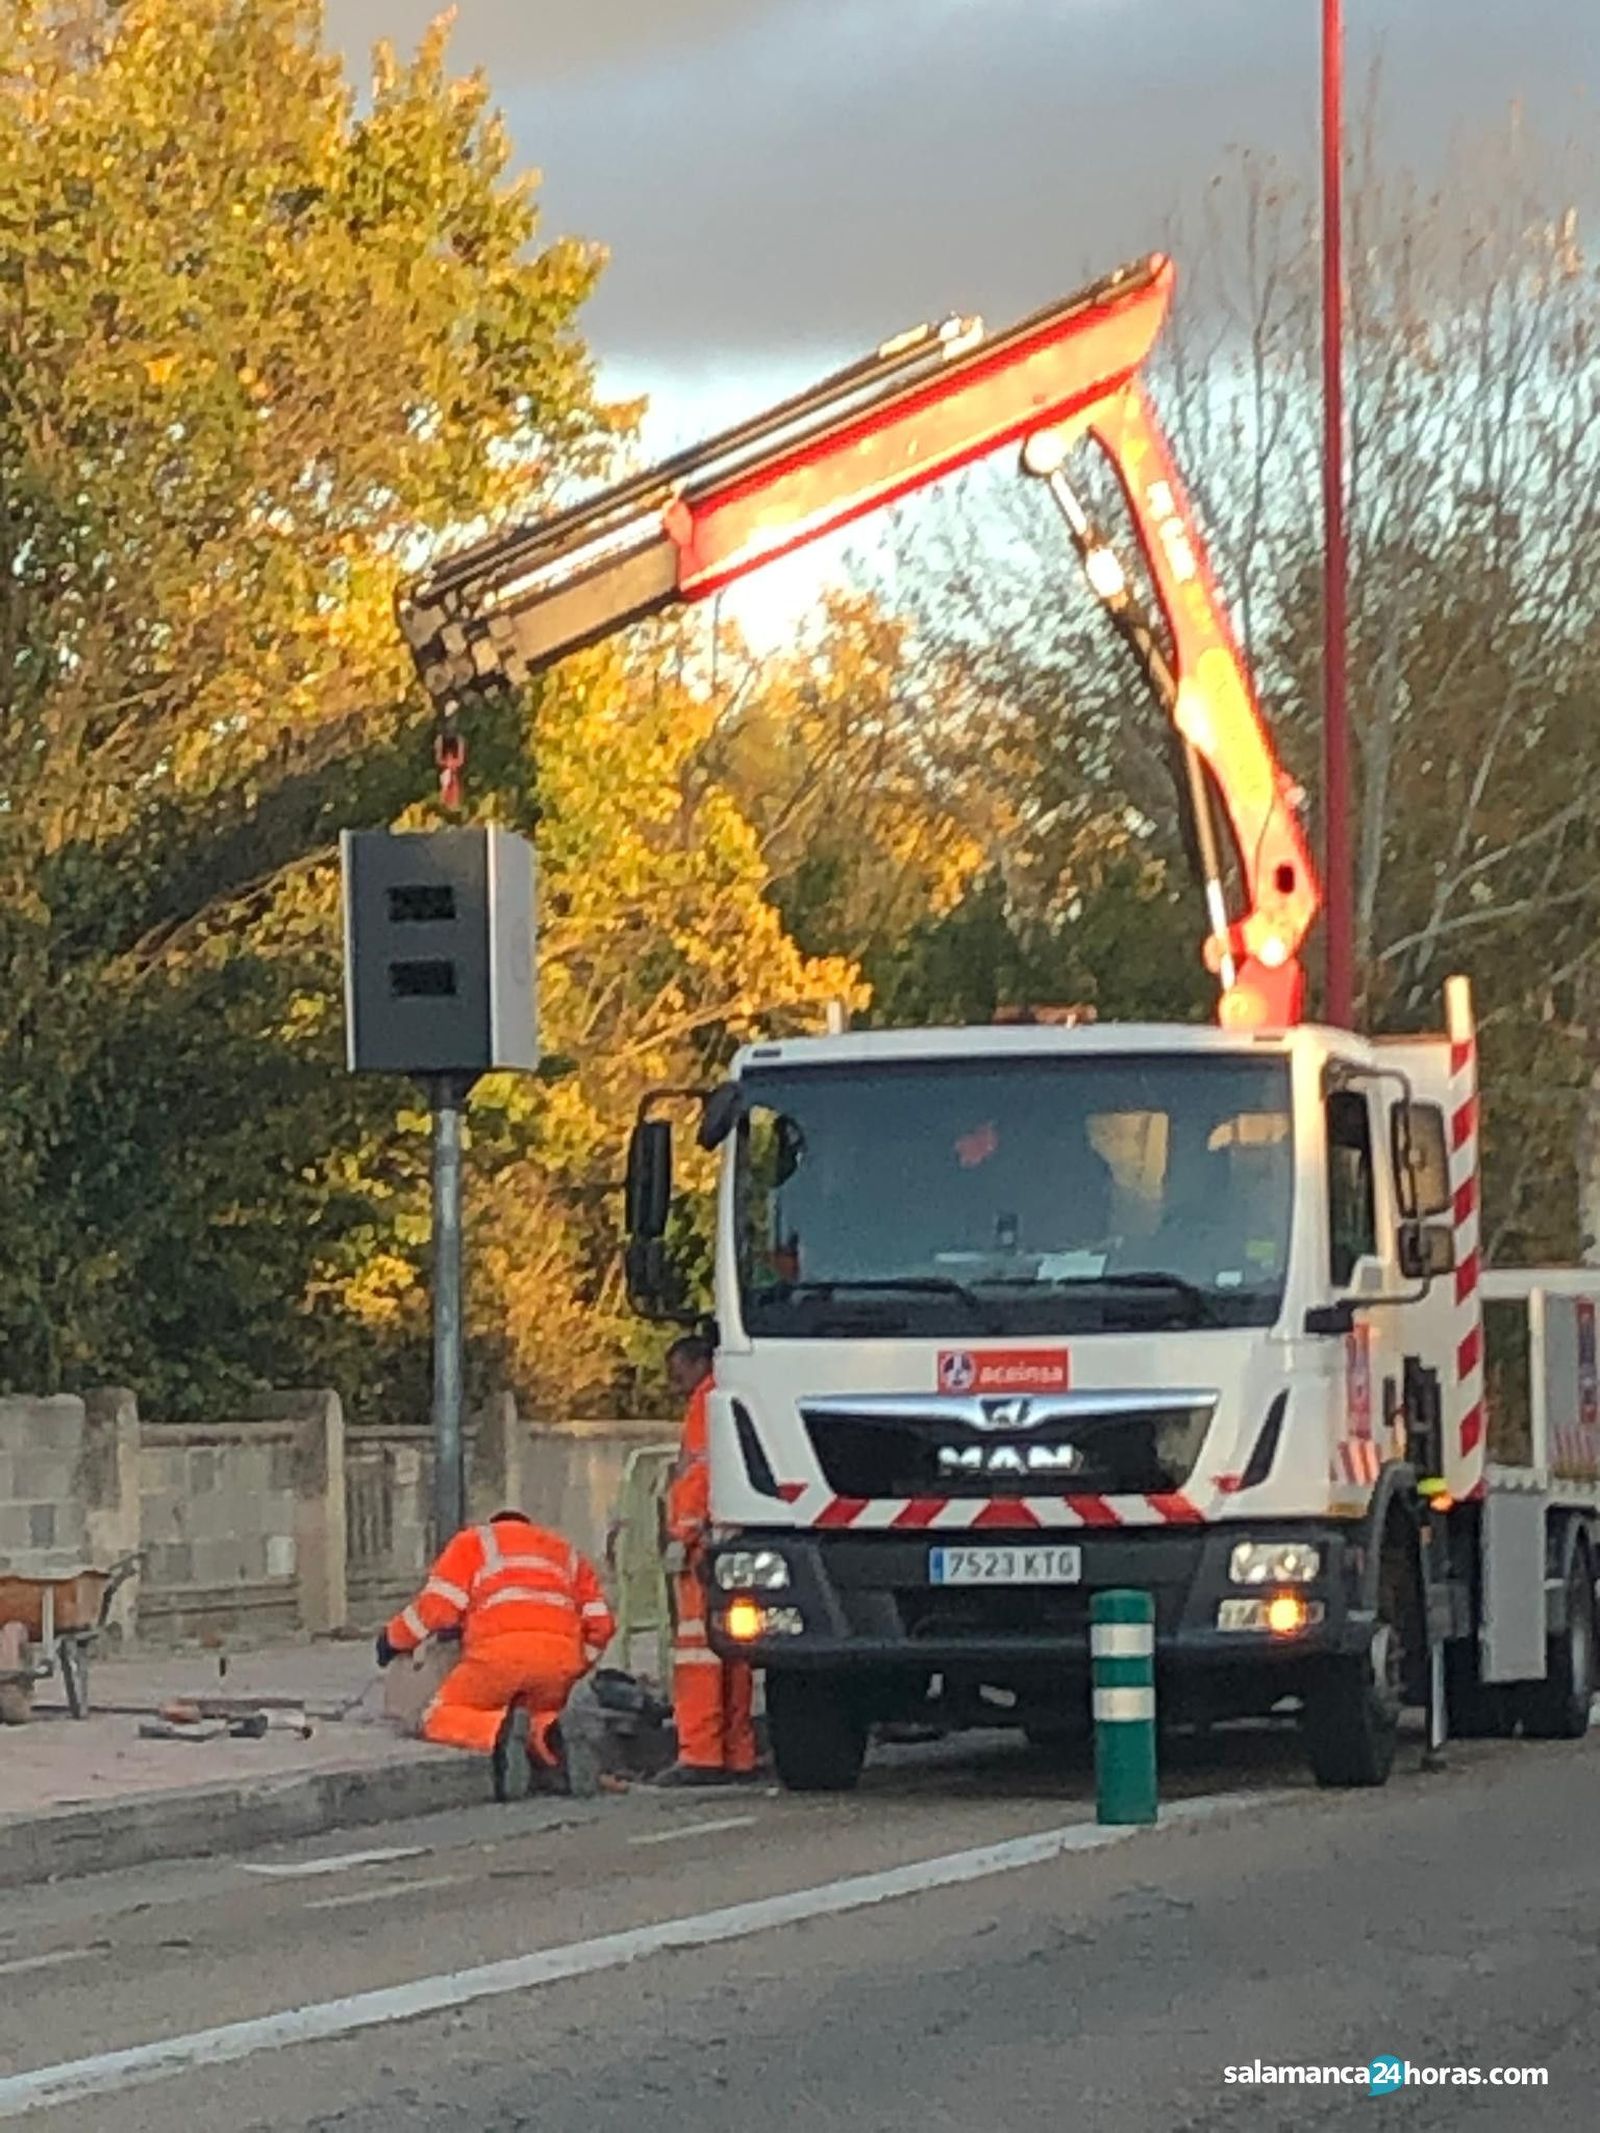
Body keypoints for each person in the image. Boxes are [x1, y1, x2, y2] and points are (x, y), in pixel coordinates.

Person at [375, 1507, 615, 1802]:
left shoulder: (473, 1543)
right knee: (539, 1711)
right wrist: (579, 1664)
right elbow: (602, 1625)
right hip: (559, 1665)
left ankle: (497, 1732)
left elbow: (437, 1608)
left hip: (498, 1659)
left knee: (434, 1714)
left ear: (494, 1524)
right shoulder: (564, 1551)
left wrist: (392, 1639)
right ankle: (550, 1734)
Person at [656, 1334, 760, 1786]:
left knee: (698, 1652)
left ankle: (700, 1753)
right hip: (734, 1538)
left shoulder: (706, 1401)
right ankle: (738, 1753)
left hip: (704, 1546)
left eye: (678, 1371)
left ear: (699, 1362)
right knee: (735, 1651)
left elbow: (699, 1473)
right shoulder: (738, 1388)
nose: (675, 1383)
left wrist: (682, 1531)